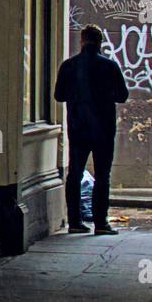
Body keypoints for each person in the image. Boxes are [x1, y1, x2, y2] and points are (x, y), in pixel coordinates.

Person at [55, 23, 129, 235]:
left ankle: (75, 222)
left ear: (82, 41)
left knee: (75, 174)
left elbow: (58, 95)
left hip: (78, 127)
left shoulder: (69, 66)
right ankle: (100, 222)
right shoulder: (109, 66)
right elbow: (122, 96)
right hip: (103, 128)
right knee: (103, 175)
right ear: (100, 42)